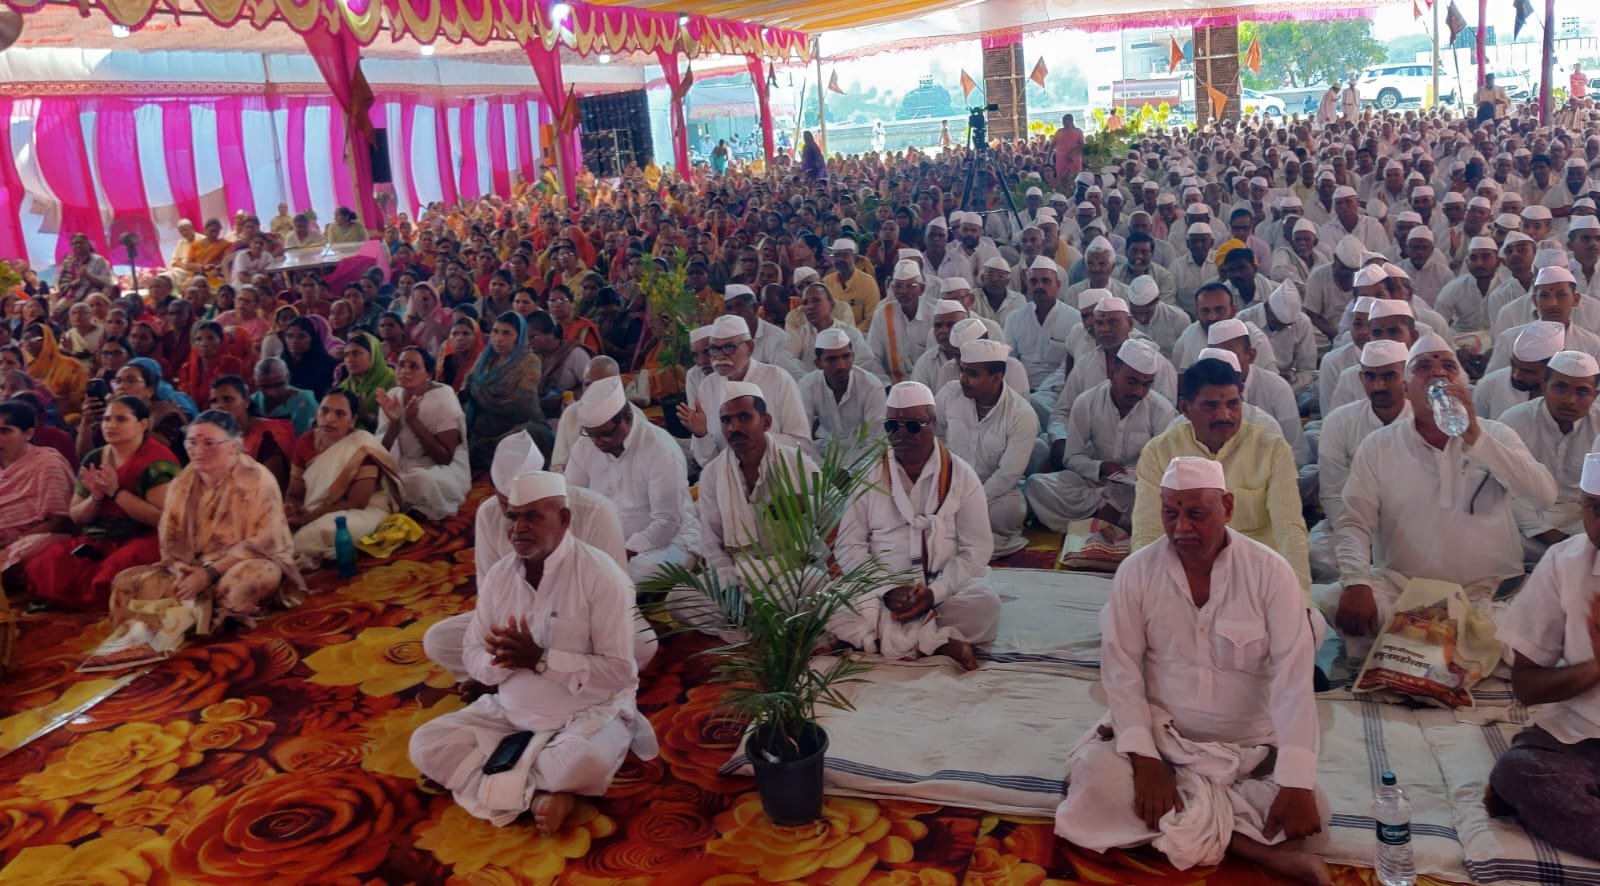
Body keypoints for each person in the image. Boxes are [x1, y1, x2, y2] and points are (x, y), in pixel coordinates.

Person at [1056, 456, 1327, 884]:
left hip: (1247, 753)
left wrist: (1296, 782)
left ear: (1228, 507)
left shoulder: (1270, 573)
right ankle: (1252, 848)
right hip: (1164, 739)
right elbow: (1121, 672)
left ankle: (1184, 820)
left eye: (1197, 514)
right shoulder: (1136, 572)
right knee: (1096, 781)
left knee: (1315, 808)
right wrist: (1145, 759)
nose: (1181, 527)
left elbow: (1294, 682)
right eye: (1171, 513)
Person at [408, 470, 657, 832]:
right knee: (425, 745)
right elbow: (472, 654)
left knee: (579, 763)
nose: (517, 528)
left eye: (532, 517)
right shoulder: (500, 576)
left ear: (564, 518)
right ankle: (542, 795)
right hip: (510, 714)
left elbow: (619, 674)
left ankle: (508, 782)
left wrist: (541, 660)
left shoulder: (602, 576)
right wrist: (500, 660)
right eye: (512, 517)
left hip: (584, 715)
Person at [1325, 334, 1556, 649]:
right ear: (1406, 389)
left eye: (1449, 366)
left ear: (1463, 383)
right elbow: (1354, 522)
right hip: (1405, 590)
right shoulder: (1378, 446)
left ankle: (1422, 646)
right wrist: (1357, 583)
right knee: (1334, 599)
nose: (1438, 372)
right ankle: (1451, 646)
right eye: (1423, 367)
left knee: (1535, 619)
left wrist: (1476, 438)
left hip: (1489, 591)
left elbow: (1543, 496)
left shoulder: (1496, 434)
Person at [828, 381, 999, 669]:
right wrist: (886, 589)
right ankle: (937, 641)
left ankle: (874, 638)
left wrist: (935, 592)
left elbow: (977, 550)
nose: (901, 434)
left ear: (933, 424)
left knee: (983, 605)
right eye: (892, 426)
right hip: (881, 589)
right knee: (830, 603)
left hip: (941, 588)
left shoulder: (961, 475)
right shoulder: (867, 475)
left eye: (912, 426)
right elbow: (848, 545)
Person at [1485, 451, 1600, 862]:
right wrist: (1595, 669)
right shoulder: (1565, 563)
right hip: (1580, 739)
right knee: (1520, 772)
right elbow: (1527, 686)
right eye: (1594, 507)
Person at [108, 410, 303, 636]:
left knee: (255, 576)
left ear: (233, 446)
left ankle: (211, 621)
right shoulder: (182, 483)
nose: (198, 450)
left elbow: (262, 543)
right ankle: (187, 619)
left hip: (238, 566)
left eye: (209, 443)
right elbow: (171, 537)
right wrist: (180, 568)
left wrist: (209, 574)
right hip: (194, 567)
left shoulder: (257, 478)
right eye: (192, 442)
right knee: (125, 583)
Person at [1132, 358, 1311, 596]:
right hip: (1186, 579)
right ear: (1185, 409)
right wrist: (1149, 592)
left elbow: (1289, 528)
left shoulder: (1271, 449)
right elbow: (1148, 531)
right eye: (1211, 406)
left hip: (1256, 577)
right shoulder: (1159, 452)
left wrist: (1299, 598)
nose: (1225, 415)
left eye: (1233, 404)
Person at [669, 383, 818, 633]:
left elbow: (834, 508)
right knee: (679, 598)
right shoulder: (713, 474)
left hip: (789, 570)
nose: (734, 427)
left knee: (814, 582)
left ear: (766, 422)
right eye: (726, 420)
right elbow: (711, 543)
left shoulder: (796, 462)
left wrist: (806, 503)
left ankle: (749, 625)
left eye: (744, 417)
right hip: (738, 572)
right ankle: (759, 628)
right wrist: (729, 585)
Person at [23, 397, 179, 610]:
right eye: (106, 419)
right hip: (99, 538)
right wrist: (96, 497)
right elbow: (76, 516)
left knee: (110, 577)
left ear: (143, 424)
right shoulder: (95, 458)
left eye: (120, 419)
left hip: (143, 538)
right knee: (43, 566)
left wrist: (116, 492)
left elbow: (162, 519)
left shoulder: (156, 460)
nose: (110, 425)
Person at [1025, 339, 1175, 534]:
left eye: (1146, 385)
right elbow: (1072, 457)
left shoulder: (1162, 411)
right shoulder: (1086, 402)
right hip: (1093, 483)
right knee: (1036, 485)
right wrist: (1100, 467)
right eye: (1131, 382)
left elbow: (1162, 469)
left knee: (1158, 503)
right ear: (1113, 372)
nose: (1138, 391)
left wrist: (1121, 496)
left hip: (1137, 490)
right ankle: (1111, 521)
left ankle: (1094, 520)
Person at [564, 377, 700, 584]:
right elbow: (573, 501)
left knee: (620, 577)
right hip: (607, 545)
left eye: (605, 434)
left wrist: (623, 550)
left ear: (627, 419)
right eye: (591, 435)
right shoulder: (585, 447)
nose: (598, 442)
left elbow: (667, 522)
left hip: (669, 543)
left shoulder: (660, 449)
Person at [934, 338, 1037, 557]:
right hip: (950, 483)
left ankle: (952, 540)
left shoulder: (1022, 414)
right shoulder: (950, 393)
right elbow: (935, 432)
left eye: (972, 374)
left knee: (1009, 512)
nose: (963, 379)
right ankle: (970, 541)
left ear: (996, 378)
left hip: (992, 494)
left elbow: (1007, 474)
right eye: (962, 371)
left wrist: (969, 501)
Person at [1498, 350, 1600, 563]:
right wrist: (1547, 534)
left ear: (1595, 395)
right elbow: (1502, 489)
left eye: (1582, 391)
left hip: (1584, 520)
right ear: (1544, 387)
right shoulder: (1514, 421)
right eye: (1561, 388)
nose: (1570, 400)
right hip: (1527, 521)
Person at [285, 390, 401, 568]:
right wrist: (291, 509)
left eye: (340, 414)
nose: (329, 419)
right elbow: (294, 492)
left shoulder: (361, 446)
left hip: (362, 509)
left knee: (319, 533)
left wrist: (307, 519)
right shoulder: (306, 442)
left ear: (352, 420)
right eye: (324, 410)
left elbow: (357, 502)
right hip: (315, 508)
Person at [680, 314, 809, 467]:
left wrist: (753, 441)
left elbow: (801, 442)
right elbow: (710, 462)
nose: (719, 356)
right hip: (727, 474)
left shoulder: (777, 378)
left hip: (779, 471)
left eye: (728, 348)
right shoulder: (708, 386)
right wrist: (701, 435)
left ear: (749, 347)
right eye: (713, 349)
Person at [375, 347, 470, 520]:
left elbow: (445, 458)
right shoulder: (393, 395)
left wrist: (413, 422)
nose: (405, 371)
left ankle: (409, 501)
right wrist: (394, 423)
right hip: (402, 465)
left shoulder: (443, 397)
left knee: (419, 481)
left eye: (414, 366)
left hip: (439, 470)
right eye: (401, 365)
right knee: (374, 477)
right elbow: (383, 451)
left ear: (429, 374)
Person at [0, 400, 75, 587]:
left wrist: (13, 540)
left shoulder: (47, 464)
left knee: (29, 547)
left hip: (33, 539)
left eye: (5, 431)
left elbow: (58, 521)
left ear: (28, 434)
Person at [463, 312, 548, 473]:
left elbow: (521, 404)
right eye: (495, 331)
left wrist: (481, 397)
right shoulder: (486, 358)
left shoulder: (529, 362)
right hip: (479, 423)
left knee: (530, 434)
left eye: (506, 333)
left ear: (519, 337)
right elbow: (467, 388)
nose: (498, 339)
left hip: (511, 424)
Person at [209, 375, 295, 491]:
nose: (219, 406)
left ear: (246, 401)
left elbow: (272, 487)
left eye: (227, 399)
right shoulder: (214, 436)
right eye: (214, 401)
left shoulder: (268, 435)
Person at [21, 323, 88, 424]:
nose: (28, 344)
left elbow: (78, 404)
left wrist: (51, 395)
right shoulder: (26, 367)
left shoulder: (71, 366)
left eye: (34, 339)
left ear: (47, 340)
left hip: (65, 417)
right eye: (25, 340)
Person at [334, 332, 398, 433]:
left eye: (355, 353)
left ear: (373, 355)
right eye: (346, 355)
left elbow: (398, 425)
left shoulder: (392, 382)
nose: (349, 360)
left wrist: (366, 416)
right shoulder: (345, 386)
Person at [281, 316, 340, 400]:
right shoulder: (282, 360)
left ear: (312, 338)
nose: (294, 340)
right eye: (290, 336)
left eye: (301, 336)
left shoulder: (326, 364)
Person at [437, 317, 484, 392]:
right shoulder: (446, 361)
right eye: (455, 334)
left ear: (476, 336)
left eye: (466, 333)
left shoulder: (482, 362)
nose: (460, 338)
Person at [1053, 114, 1083, 187]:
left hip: (1073, 161)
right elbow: (1052, 145)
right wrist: (1048, 158)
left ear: (1070, 121)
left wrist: (1074, 152)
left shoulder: (1078, 131)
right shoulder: (1059, 131)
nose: (1063, 123)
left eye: (1064, 121)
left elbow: (1082, 145)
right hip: (1061, 161)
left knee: (1074, 180)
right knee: (1061, 180)